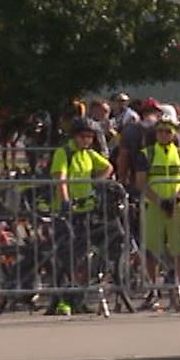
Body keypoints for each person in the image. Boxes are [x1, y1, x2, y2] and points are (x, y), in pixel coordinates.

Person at [48, 118, 115, 316]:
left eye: (90, 137)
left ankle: (79, 299)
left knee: (83, 257)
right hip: (66, 211)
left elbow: (108, 167)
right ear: (75, 136)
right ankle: (61, 301)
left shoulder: (89, 154)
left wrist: (96, 183)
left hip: (85, 209)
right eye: (83, 136)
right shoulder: (64, 152)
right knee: (66, 257)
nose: (87, 140)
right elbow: (60, 179)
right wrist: (65, 201)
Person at [135, 113, 180, 310]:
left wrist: (177, 198)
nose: (163, 134)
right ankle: (153, 291)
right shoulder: (146, 154)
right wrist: (160, 201)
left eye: (167, 131)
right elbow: (141, 182)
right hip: (155, 207)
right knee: (152, 250)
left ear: (173, 133)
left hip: (179, 207)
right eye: (159, 131)